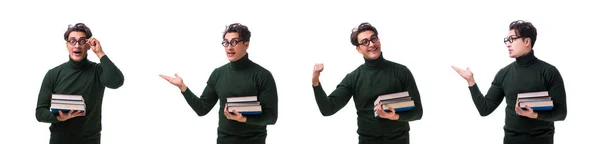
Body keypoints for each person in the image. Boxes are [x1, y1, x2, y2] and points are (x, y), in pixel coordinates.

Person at [451, 20, 567, 144]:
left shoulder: (549, 72)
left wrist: (535, 115)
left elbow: (561, 113)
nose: (508, 44)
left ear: (527, 41)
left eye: (512, 39)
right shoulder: (504, 73)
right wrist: (471, 82)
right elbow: (485, 109)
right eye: (507, 40)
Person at [160, 23, 278, 144]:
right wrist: (182, 87)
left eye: (234, 42)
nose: (229, 47)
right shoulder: (218, 74)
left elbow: (271, 118)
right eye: (226, 42)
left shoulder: (263, 75)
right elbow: (202, 109)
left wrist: (243, 119)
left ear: (246, 44)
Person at [311, 22, 424, 144]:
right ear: (358, 49)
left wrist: (394, 116)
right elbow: (328, 109)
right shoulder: (353, 78)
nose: (371, 44)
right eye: (365, 42)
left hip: (399, 140)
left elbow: (417, 112)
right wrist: (315, 82)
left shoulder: (402, 71)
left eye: (373, 39)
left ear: (379, 40)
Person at [35, 23, 125, 144]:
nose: (77, 45)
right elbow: (40, 113)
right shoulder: (53, 74)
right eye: (72, 41)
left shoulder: (97, 71)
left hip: (90, 140)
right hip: (60, 140)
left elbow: (117, 82)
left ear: (88, 45)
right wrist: (58, 117)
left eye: (82, 41)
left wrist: (100, 53)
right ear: (67, 45)